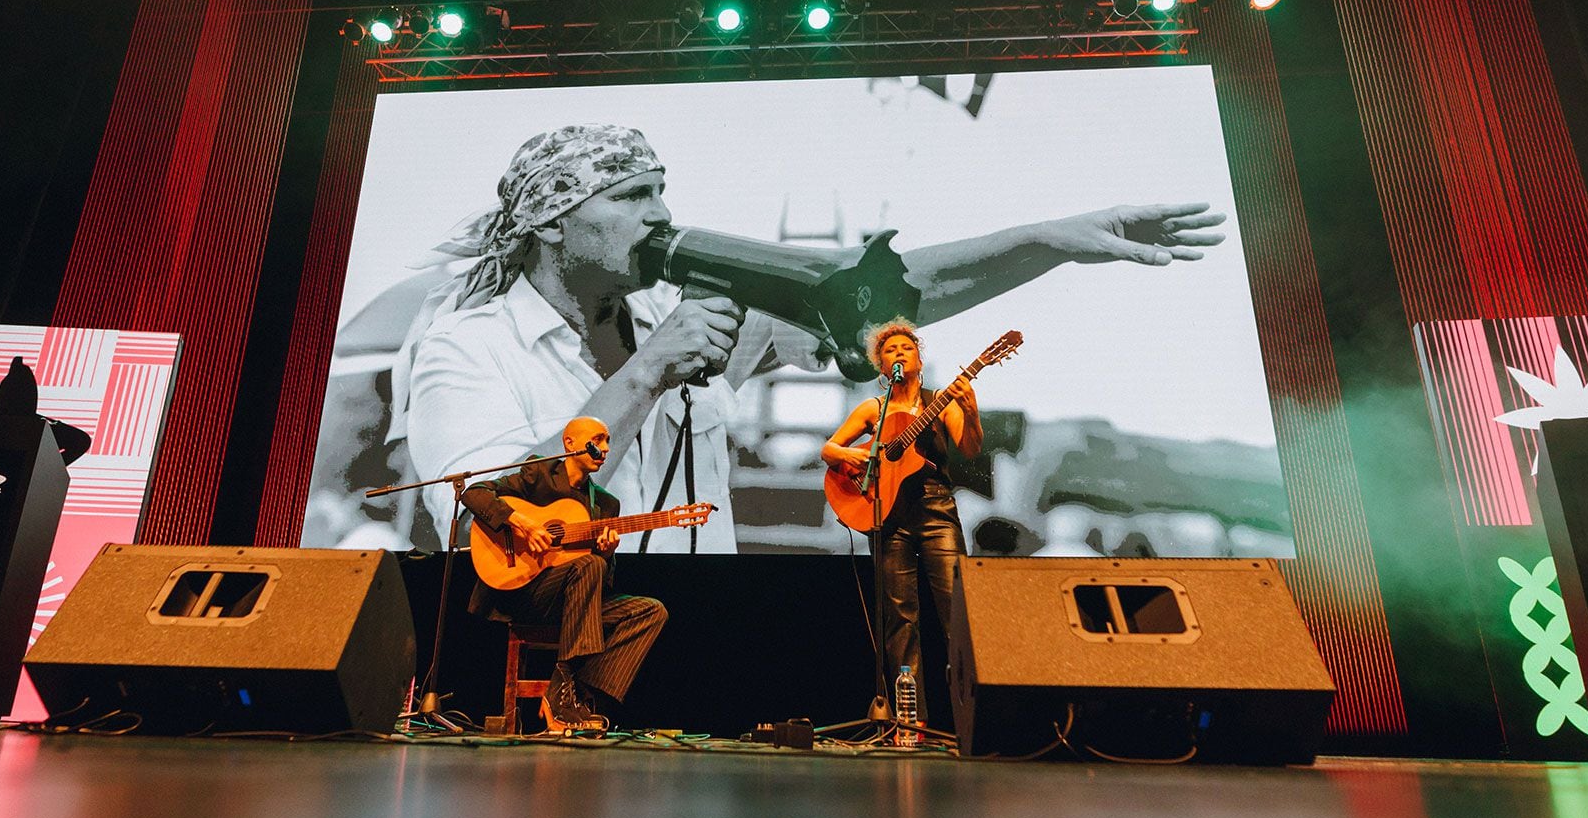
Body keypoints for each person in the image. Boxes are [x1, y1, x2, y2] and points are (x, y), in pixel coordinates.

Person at [396, 122, 1225, 552]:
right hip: (539, 685)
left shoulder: (673, 320)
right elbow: (499, 526)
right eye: (631, 195)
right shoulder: (465, 351)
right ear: (552, 220)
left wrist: (1048, 239)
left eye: (661, 190)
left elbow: (881, 298)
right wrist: (646, 374)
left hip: (693, 661)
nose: (660, 214)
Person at [460, 416, 666, 732]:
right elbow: (475, 493)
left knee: (651, 611)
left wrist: (607, 554)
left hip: (574, 605)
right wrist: (523, 524)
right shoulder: (537, 474)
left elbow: (601, 582)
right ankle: (565, 691)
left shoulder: (606, 504)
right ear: (570, 443)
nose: (606, 448)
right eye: (598, 440)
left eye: (608, 441)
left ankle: (576, 692)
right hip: (524, 592)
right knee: (590, 566)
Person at [821, 321, 978, 720]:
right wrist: (851, 456)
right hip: (887, 516)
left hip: (936, 511)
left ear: (919, 359)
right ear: (881, 364)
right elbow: (829, 448)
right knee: (900, 620)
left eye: (906, 348)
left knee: (956, 612)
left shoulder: (939, 400)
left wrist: (971, 406)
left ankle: (971, 717)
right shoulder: (874, 408)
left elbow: (970, 448)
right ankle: (911, 721)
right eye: (890, 350)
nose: (899, 353)